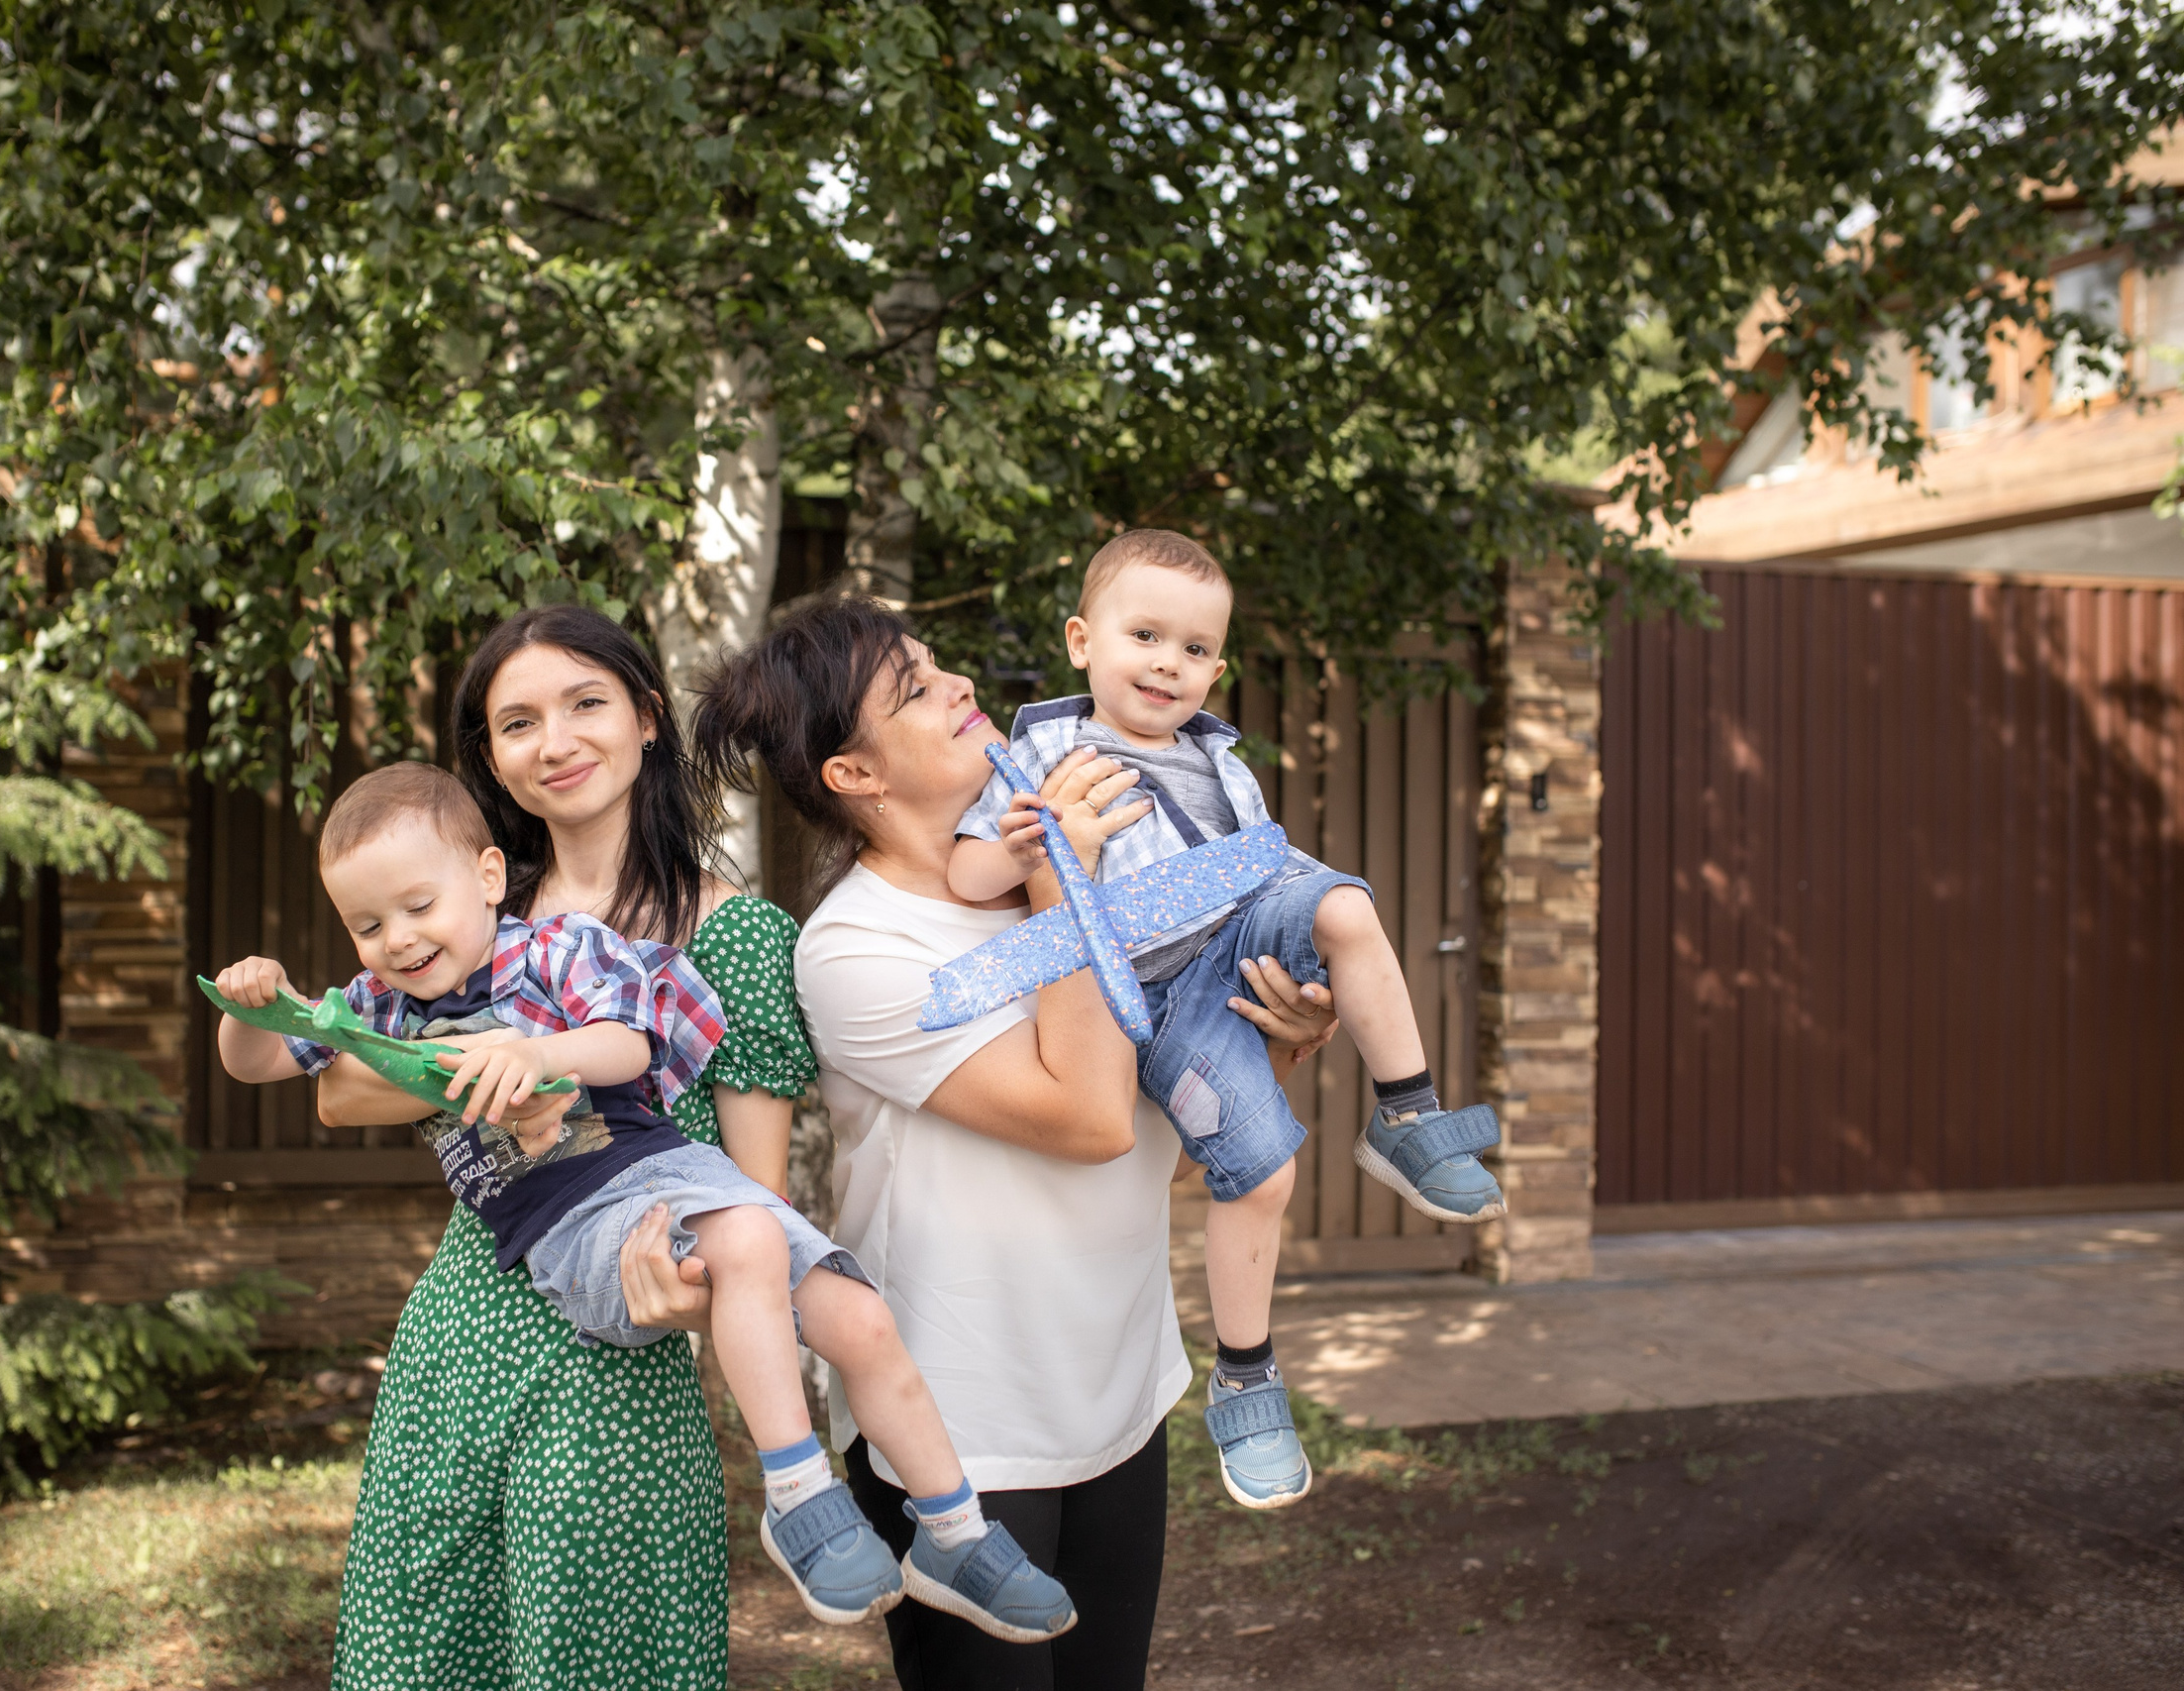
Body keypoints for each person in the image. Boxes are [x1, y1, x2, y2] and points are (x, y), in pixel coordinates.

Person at [212, 761, 1077, 1640]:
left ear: (483, 877)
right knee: (745, 1241)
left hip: (668, 1169)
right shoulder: (381, 1008)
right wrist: (250, 1008)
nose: (397, 938)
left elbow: (628, 1043)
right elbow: (270, 1062)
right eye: (367, 924)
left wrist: (539, 1054)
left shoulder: (559, 947)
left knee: (859, 1318)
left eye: (416, 906)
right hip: (573, 1219)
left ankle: (954, 1531)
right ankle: (795, 1490)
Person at [686, 594, 1341, 1690]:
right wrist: (1064, 878)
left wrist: (1282, 1042)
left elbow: (1167, 1142)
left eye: (937, 664)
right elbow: (1086, 1121)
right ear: (854, 775)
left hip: (1121, 1394)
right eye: (914, 690)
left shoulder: (1057, 876)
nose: (957, 687)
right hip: (962, 1442)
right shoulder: (858, 949)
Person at [299, 604, 810, 1690]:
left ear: (646, 719)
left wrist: (701, 1293)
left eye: (586, 704)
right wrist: (501, 1050)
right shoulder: (454, 912)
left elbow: (756, 1199)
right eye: (516, 721)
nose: (556, 741)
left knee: (599, 1659)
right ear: (490, 758)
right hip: (456, 1336)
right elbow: (339, 1092)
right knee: (418, 1652)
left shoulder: (736, 936)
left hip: (613, 1348)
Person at [942, 528, 1506, 1512]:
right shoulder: (1041, 750)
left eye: (1195, 649)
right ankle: (1245, 1376)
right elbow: (965, 872)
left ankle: (1408, 1113)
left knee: (1347, 908)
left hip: (1233, 940)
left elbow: (1258, 880)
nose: (1169, 663)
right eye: (1145, 635)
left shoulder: (1221, 757)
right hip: (1150, 1000)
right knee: (1263, 1173)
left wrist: (1304, 990)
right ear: (1082, 641)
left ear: (1218, 667)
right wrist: (1029, 848)